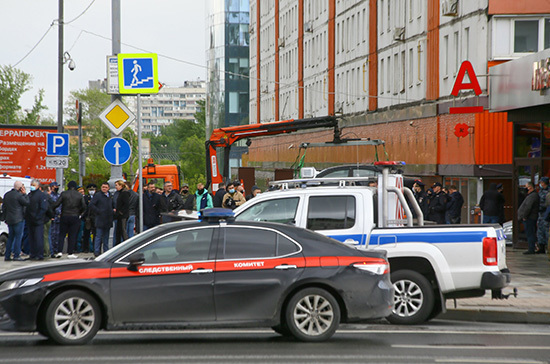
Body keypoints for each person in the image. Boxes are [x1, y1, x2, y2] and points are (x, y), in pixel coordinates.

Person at [52, 180, 86, 259]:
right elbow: (84, 206)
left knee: (62, 234)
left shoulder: (64, 194)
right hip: (75, 216)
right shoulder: (79, 195)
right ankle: (70, 252)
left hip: (64, 216)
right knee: (72, 235)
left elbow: (56, 204)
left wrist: (53, 212)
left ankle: (59, 251)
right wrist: (79, 213)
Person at [2, 181, 29, 261]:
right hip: (18, 219)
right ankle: (16, 255)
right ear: (20, 188)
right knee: (18, 237)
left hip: (9, 219)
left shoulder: (7, 195)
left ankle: (7, 255)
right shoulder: (19, 196)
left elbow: (4, 207)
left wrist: (5, 217)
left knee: (10, 237)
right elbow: (27, 203)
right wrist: (25, 194)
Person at [24, 179, 49, 261]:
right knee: (32, 238)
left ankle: (39, 254)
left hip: (38, 220)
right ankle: (33, 254)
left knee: (38, 238)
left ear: (38, 186)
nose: (32, 186)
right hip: (30, 220)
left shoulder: (41, 195)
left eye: (34, 185)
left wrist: (38, 217)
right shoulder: (30, 194)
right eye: (31, 184)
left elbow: (43, 208)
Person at [89, 182, 114, 256]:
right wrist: (98, 211)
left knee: (106, 237)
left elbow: (112, 204)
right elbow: (91, 205)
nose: (104, 189)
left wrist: (113, 210)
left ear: (108, 188)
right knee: (98, 236)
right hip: (100, 219)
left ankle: (106, 251)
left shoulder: (110, 195)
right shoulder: (98, 195)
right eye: (103, 187)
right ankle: (96, 251)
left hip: (108, 219)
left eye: (106, 187)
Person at [518, 181, 540, 255]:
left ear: (530, 187)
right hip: (530, 217)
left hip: (530, 218)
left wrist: (524, 216)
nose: (525, 189)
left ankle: (531, 248)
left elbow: (528, 207)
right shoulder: (531, 195)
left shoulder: (532, 196)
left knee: (530, 233)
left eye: (526, 187)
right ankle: (531, 248)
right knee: (530, 233)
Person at [114, 180, 130, 245]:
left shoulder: (124, 193)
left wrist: (121, 212)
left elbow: (126, 204)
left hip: (122, 216)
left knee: (123, 230)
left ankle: (126, 244)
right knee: (119, 231)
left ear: (121, 186)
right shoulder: (120, 193)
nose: (115, 187)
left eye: (116, 185)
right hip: (120, 215)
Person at [536, 177, 549, 254]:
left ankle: (547, 246)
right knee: (540, 231)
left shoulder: (548, 192)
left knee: (546, 231)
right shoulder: (541, 191)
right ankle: (541, 247)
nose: (540, 184)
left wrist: (541, 206)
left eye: (541, 182)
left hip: (546, 214)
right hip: (540, 214)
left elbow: (547, 203)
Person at [48, 181, 61, 258]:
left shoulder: (59, 195)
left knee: (57, 235)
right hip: (53, 217)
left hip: (58, 218)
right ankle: (51, 250)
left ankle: (56, 250)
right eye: (55, 186)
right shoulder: (50, 196)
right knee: (52, 235)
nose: (57, 188)